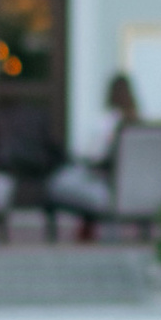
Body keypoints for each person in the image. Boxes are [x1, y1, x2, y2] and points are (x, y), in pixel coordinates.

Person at [47, 72, 139, 227]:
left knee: (61, 180)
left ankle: (85, 229)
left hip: (107, 189)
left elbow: (92, 156)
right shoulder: (139, 124)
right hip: (133, 190)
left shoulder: (107, 123)